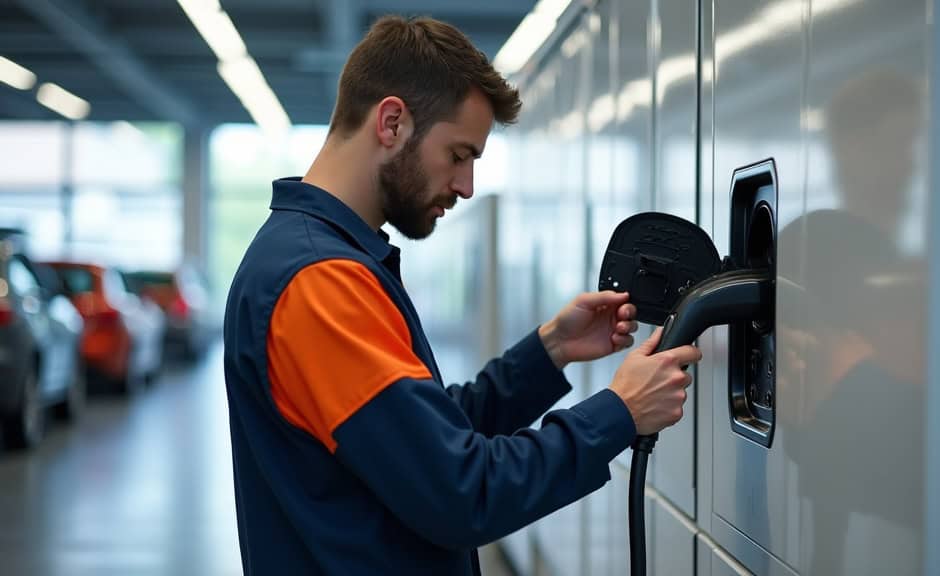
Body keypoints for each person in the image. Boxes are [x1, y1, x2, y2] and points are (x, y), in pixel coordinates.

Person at [223, 15, 701, 576]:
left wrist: (550, 350)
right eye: (458, 154)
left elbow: (428, 437)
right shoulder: (319, 284)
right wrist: (619, 413)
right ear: (392, 122)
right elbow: (461, 491)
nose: (467, 186)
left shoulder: (320, 261)